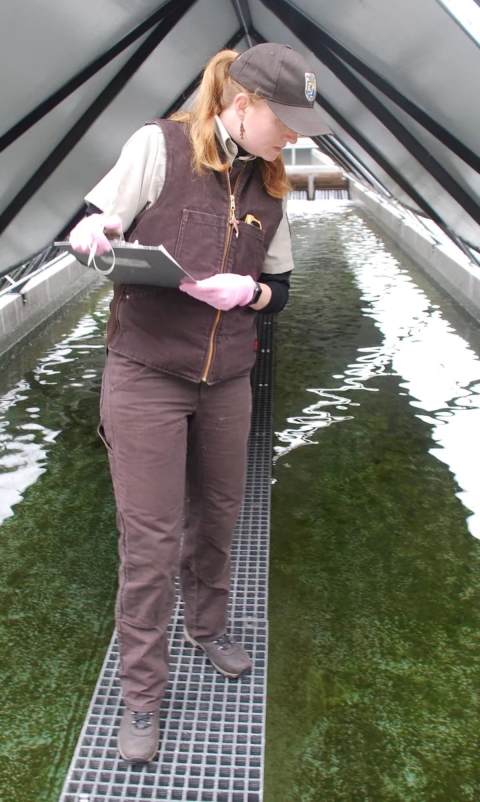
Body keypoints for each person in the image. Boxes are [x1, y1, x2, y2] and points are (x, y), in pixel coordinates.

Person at [68, 42, 329, 764]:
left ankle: (207, 626)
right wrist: (93, 235)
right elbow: (93, 226)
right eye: (286, 121)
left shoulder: (274, 186)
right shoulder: (158, 146)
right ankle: (142, 693)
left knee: (218, 514)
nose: (294, 137)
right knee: (150, 542)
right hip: (147, 372)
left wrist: (251, 292)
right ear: (241, 105)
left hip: (227, 380)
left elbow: (284, 293)